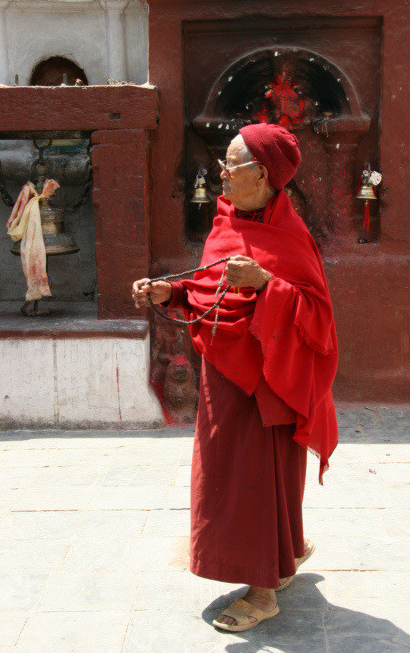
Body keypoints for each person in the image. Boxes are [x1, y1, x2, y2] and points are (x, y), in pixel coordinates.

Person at [132, 123, 338, 632]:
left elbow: (318, 314)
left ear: (263, 175)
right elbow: (211, 288)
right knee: (230, 477)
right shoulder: (227, 223)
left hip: (266, 382)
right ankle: (281, 558)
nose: (220, 174)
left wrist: (267, 282)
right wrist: (172, 294)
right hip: (223, 379)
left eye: (231, 165)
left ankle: (263, 591)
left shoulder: (290, 234)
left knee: (254, 482)